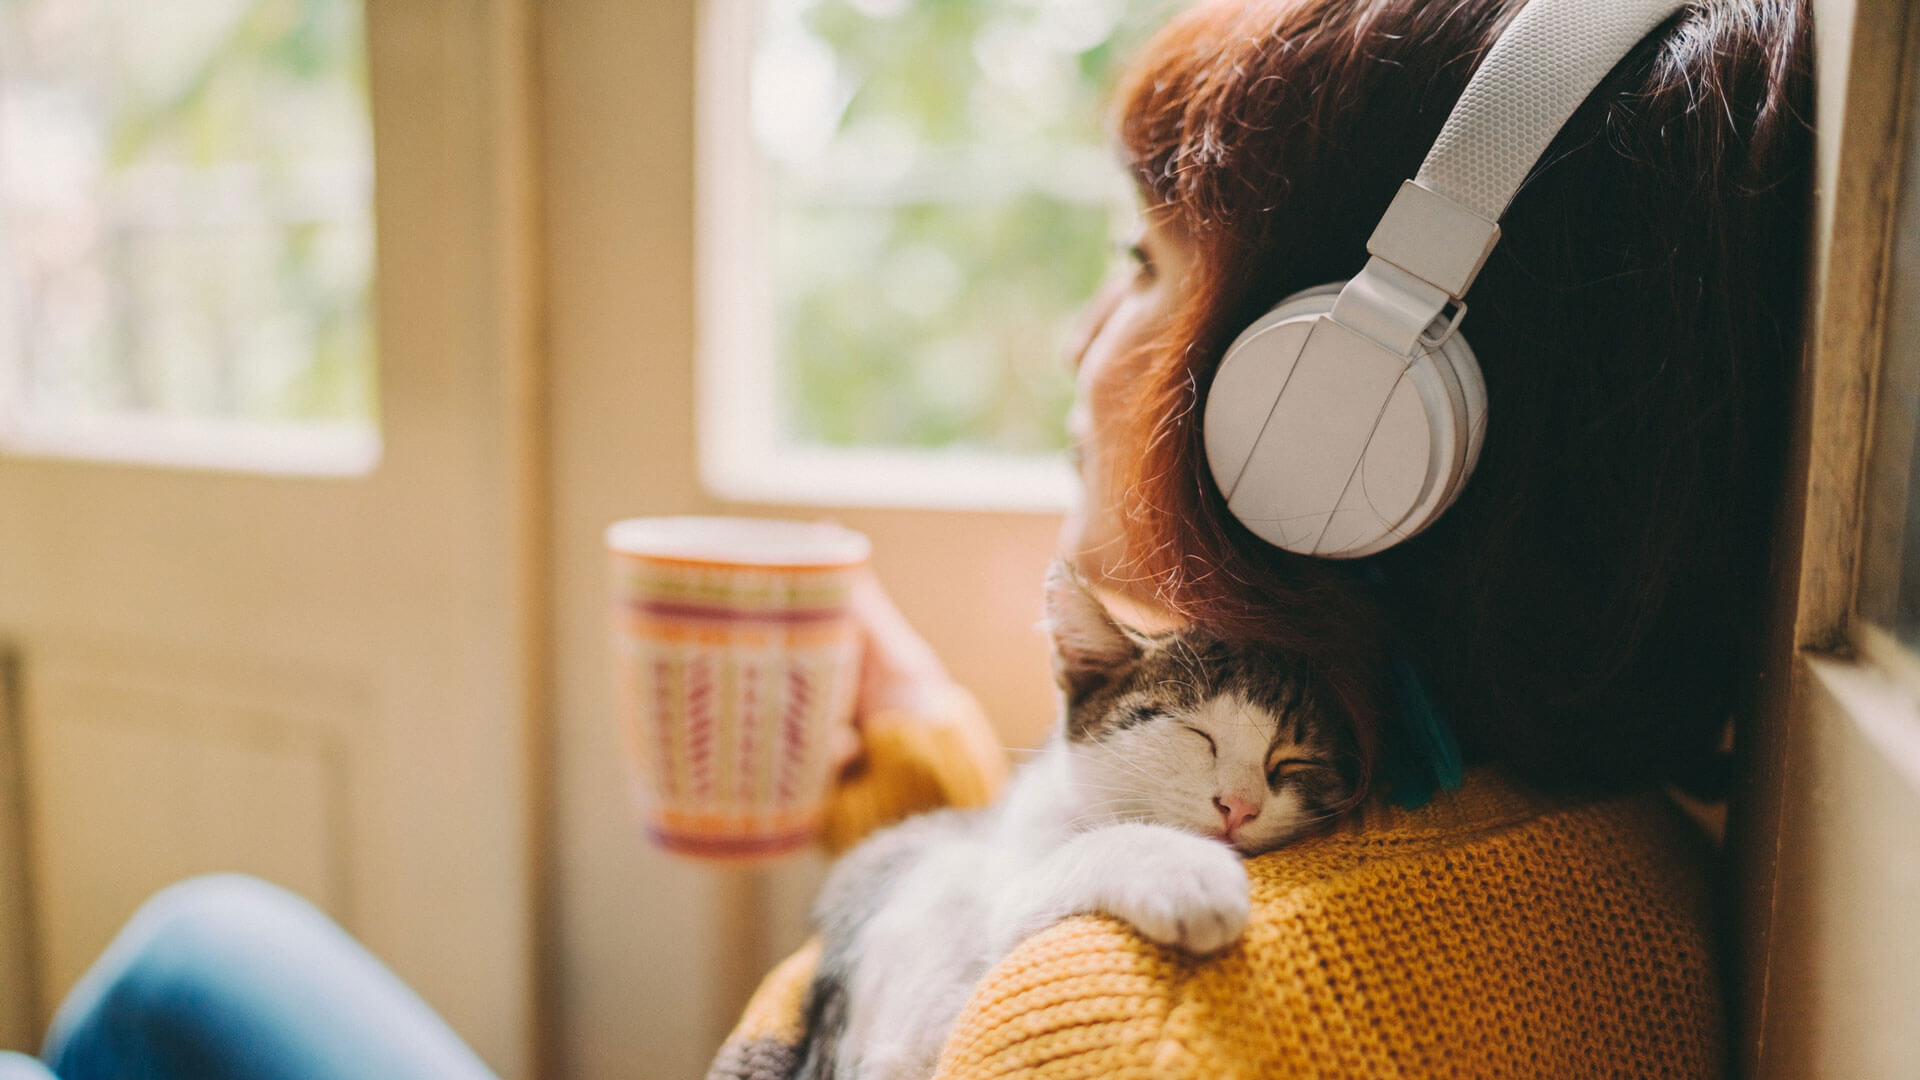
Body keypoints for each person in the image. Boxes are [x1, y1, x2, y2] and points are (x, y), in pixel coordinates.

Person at [5, 0, 1810, 1076]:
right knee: (198, 946)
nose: (1078, 339)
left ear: (1335, 412)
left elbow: (1044, 1024)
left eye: (1144, 267)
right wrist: (941, 781)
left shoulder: (1124, 1033)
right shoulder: (1564, 829)